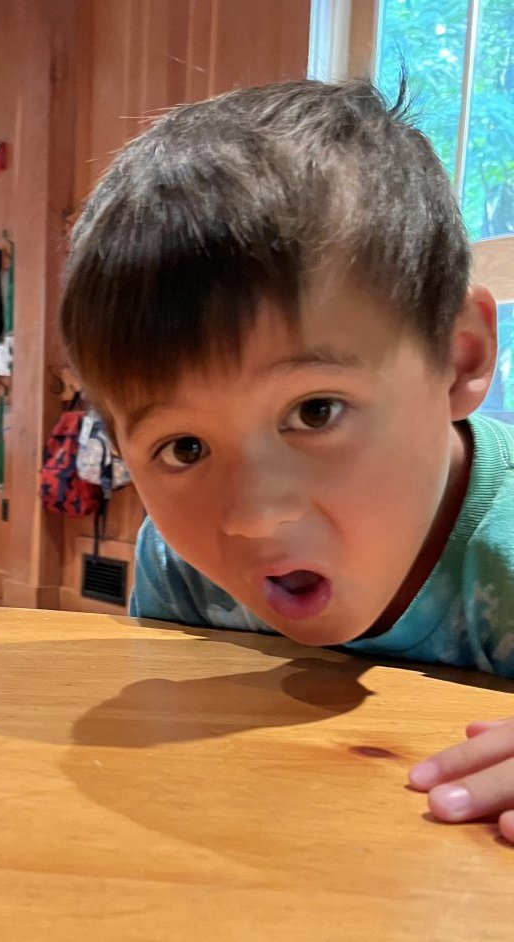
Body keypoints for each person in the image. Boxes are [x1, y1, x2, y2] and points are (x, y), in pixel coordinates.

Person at [58, 79, 514, 839]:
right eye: (185, 448)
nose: (254, 514)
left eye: (315, 411)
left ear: (459, 356)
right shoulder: (183, 569)